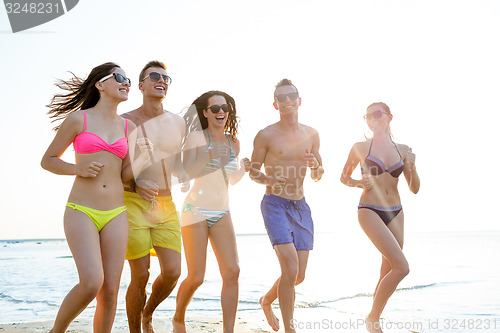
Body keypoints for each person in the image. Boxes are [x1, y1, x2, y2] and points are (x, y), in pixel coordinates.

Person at [41, 62, 142, 333]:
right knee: (91, 281)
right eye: (120, 77)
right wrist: (78, 168)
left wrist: (145, 158)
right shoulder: (79, 119)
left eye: (129, 79)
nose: (126, 83)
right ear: (100, 84)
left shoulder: (129, 128)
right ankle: (56, 331)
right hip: (81, 209)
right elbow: (48, 160)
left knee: (110, 290)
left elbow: (126, 175)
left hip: (116, 213)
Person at [248, 79, 324, 333]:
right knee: (289, 268)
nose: (288, 100)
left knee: (298, 275)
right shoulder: (266, 135)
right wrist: (268, 179)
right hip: (275, 204)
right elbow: (253, 172)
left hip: (300, 205)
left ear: (299, 100)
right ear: (275, 104)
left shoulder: (312, 134)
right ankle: (290, 329)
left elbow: (318, 173)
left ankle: (266, 300)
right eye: (282, 97)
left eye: (292, 95)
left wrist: (315, 165)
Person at [172, 91, 250, 333]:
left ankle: (229, 330)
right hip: (195, 210)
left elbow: (230, 179)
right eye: (214, 108)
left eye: (224, 107)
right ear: (205, 112)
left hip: (222, 211)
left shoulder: (234, 143)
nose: (220, 112)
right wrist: (208, 157)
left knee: (233, 271)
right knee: (196, 277)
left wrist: (243, 170)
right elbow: (184, 172)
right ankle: (178, 318)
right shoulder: (196, 138)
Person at [340, 102, 420, 333]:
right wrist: (356, 182)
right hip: (369, 209)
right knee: (402, 267)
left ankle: (374, 322)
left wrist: (412, 169)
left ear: (389, 117)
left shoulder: (403, 149)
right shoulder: (360, 147)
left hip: (396, 211)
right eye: (368, 116)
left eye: (377, 114)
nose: (372, 119)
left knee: (387, 271)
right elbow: (343, 177)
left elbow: (414, 188)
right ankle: (372, 319)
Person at [120, 60, 187, 333]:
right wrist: (135, 185)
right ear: (141, 85)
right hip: (132, 202)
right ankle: (136, 330)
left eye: (166, 78)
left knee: (172, 272)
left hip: (166, 203)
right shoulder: (124, 122)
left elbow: (178, 162)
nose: (162, 80)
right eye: (155, 76)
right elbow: (115, 169)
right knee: (141, 275)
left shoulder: (178, 122)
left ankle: (148, 313)